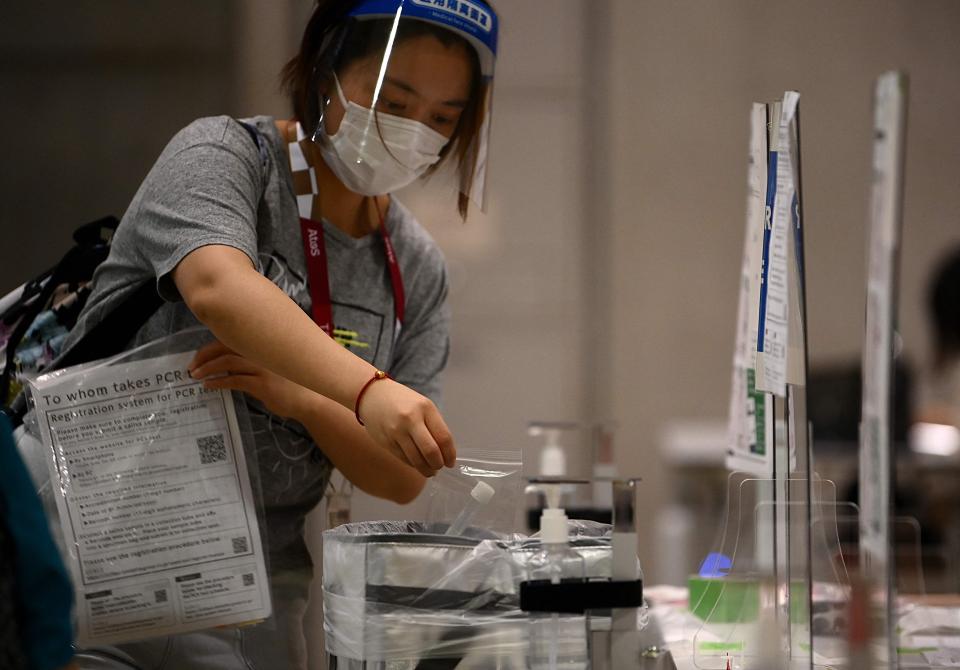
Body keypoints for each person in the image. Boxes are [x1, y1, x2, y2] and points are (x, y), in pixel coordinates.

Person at [58, 0, 499, 667]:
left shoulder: (414, 266)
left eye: (442, 119)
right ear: (325, 73)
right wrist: (368, 390)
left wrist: (308, 398)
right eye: (393, 101)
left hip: (257, 601)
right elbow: (218, 287)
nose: (414, 132)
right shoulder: (226, 157)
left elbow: (400, 475)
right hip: (108, 566)